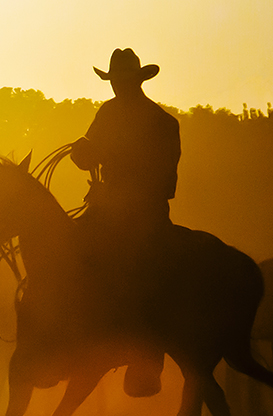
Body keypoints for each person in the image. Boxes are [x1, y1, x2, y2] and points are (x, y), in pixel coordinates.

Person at [70, 48, 181, 397]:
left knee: (143, 271)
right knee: (69, 249)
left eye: (122, 81)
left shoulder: (161, 123)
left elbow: (161, 179)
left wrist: (115, 177)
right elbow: (91, 150)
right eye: (113, 81)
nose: (116, 87)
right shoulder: (108, 112)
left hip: (145, 213)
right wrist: (81, 154)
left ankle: (148, 356)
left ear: (137, 81)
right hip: (107, 207)